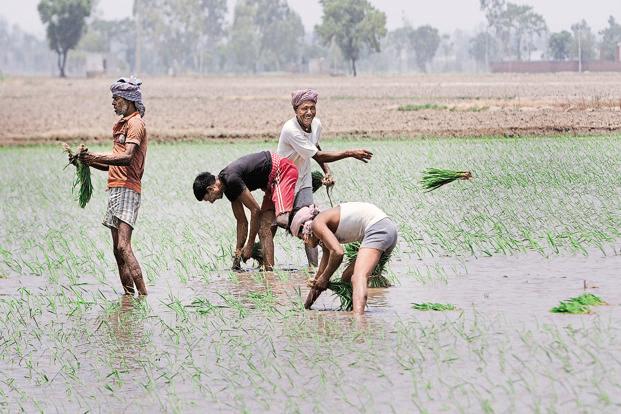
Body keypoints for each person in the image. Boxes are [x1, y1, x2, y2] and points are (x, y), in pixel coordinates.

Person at [260, 88, 374, 269]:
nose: (309, 112)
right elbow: (318, 155)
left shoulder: (316, 125)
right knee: (271, 225)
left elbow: (315, 146)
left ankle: (313, 267)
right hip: (282, 182)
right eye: (304, 108)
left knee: (309, 224)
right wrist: (350, 152)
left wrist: (327, 171)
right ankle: (267, 269)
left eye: (312, 108)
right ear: (296, 110)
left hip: (303, 180)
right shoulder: (290, 129)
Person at [77, 77, 148, 296]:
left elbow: (126, 157)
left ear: (128, 100)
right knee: (117, 252)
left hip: (128, 188)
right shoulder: (121, 126)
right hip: (116, 187)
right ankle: (128, 297)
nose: (113, 103)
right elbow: (112, 166)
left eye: (116, 99)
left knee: (123, 247)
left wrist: (95, 155)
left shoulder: (136, 124)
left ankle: (144, 296)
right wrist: (86, 161)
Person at [193, 151, 298, 271]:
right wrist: (237, 258)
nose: (211, 202)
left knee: (282, 220)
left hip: (282, 171)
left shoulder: (231, 179)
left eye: (208, 199)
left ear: (211, 189)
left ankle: (311, 227)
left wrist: (250, 245)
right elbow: (241, 221)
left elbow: (255, 210)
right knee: (264, 229)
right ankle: (269, 274)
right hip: (271, 183)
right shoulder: (228, 188)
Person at [290, 202, 398, 315]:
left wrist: (325, 278)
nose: (305, 242)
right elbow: (320, 276)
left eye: (301, 237)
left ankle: (359, 319)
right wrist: (306, 307)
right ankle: (354, 310)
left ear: (305, 227)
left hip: (378, 229)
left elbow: (338, 253)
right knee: (346, 277)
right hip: (388, 229)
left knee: (358, 277)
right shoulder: (325, 233)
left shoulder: (317, 224)